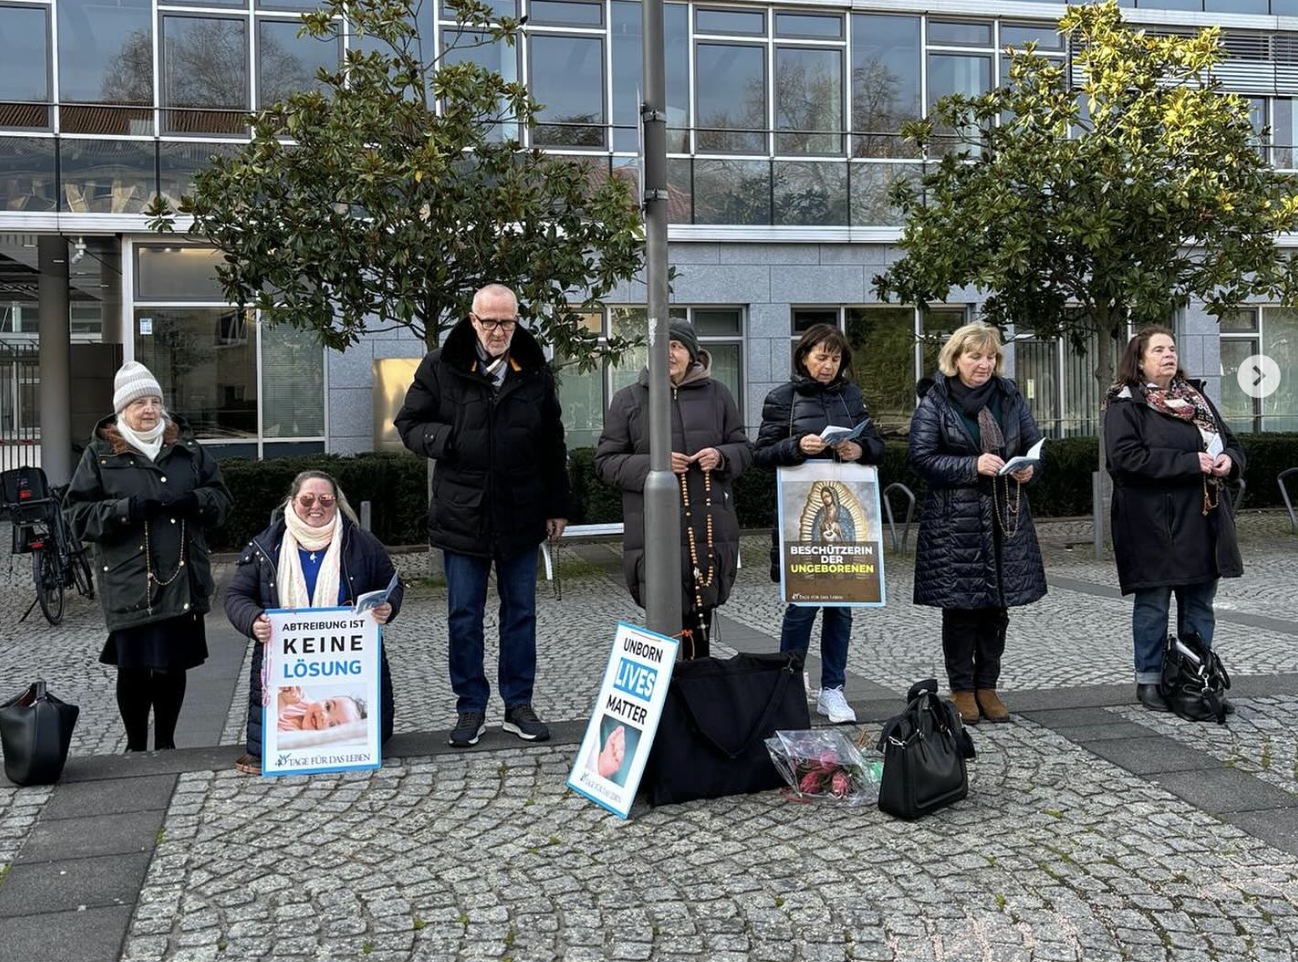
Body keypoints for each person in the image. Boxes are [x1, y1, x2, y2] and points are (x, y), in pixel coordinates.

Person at [394, 284, 569, 748]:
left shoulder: (533, 369)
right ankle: (470, 707)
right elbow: (408, 426)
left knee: (521, 615)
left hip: (521, 510)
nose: (497, 330)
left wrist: (557, 506)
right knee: (464, 616)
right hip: (461, 513)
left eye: (506, 322)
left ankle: (518, 704)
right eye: (489, 321)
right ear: (472, 319)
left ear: (517, 321)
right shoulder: (440, 364)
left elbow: (553, 440)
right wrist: (448, 441)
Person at [65, 361, 232, 752]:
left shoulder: (186, 450)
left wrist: (197, 501)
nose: (150, 410)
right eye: (140, 402)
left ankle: (167, 743)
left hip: (180, 576)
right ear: (122, 410)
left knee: (172, 664)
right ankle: (136, 745)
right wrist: (125, 509)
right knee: (135, 666)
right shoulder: (100, 455)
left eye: (155, 401)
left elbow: (222, 501)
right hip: (128, 579)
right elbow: (76, 516)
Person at [909, 323, 1046, 725]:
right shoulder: (935, 401)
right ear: (955, 360)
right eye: (975, 356)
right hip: (957, 523)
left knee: (997, 609)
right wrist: (972, 464)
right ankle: (962, 688)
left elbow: (1033, 446)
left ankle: (988, 685)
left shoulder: (1009, 397)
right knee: (961, 610)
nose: (984, 364)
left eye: (990, 357)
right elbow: (921, 459)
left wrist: (1029, 469)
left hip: (1006, 517)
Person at [1104, 325, 1244, 714]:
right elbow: (1124, 459)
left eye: (1172, 348)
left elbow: (1232, 444)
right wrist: (1187, 462)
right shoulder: (1125, 403)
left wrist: (1229, 461)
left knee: (1199, 604)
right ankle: (1149, 679)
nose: (1169, 355)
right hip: (1152, 524)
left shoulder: (1195, 398)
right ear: (1140, 360)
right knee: (1154, 603)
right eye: (1159, 350)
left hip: (1204, 520)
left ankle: (1194, 676)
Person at [224, 470, 402, 774]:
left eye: (325, 499)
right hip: (280, 653)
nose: (315, 506)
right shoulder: (266, 546)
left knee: (375, 738)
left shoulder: (361, 542)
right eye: (307, 499)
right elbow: (236, 595)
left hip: (352, 651)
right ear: (292, 502)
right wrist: (253, 620)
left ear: (337, 503)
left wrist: (388, 606)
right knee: (265, 745)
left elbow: (392, 584)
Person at [595, 319, 753, 658]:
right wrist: (656, 467)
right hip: (653, 531)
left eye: (677, 346)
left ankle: (698, 696)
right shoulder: (628, 400)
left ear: (692, 354)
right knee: (661, 626)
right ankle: (665, 702)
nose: (669, 353)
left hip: (708, 531)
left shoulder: (718, 394)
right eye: (661, 346)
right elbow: (606, 462)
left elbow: (743, 448)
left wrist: (722, 456)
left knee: (700, 622)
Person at [753, 323, 885, 724]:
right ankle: (789, 685)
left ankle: (833, 689)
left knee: (842, 607)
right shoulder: (782, 398)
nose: (828, 365)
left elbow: (878, 448)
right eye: (821, 357)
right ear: (804, 356)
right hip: (800, 521)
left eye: (835, 358)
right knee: (802, 606)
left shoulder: (851, 397)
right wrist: (796, 446)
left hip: (846, 517)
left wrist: (859, 447)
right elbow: (760, 454)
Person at [276, 686, 367, 733]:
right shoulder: (303, 700)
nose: (324, 716)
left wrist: (282, 701)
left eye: (332, 725)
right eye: (328, 707)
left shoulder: (292, 735)